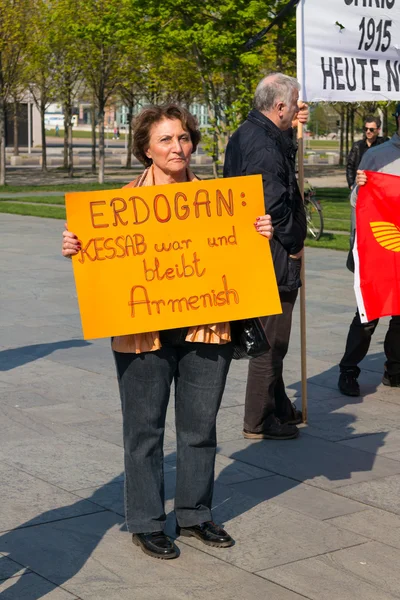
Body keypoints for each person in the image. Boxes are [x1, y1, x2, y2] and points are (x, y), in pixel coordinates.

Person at [62, 104, 273, 560]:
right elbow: (97, 256)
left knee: (200, 427)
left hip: (207, 325)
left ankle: (195, 513)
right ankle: (146, 521)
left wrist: (259, 231)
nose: (178, 147)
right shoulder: (117, 207)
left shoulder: (221, 202)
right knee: (144, 429)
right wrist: (77, 245)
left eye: (183, 137)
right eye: (165, 139)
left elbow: (242, 255)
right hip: (143, 331)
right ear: (145, 149)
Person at [224, 73, 307, 441]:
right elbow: (273, 202)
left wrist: (291, 135)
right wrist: (293, 242)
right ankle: (257, 420)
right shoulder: (263, 145)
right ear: (279, 107)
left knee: (273, 336)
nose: (296, 110)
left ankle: (279, 406)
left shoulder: (253, 132)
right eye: (294, 104)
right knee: (273, 341)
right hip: (273, 254)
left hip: (262, 251)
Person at [338, 104, 400, 396]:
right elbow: (357, 203)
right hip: (377, 247)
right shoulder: (376, 155)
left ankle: (395, 369)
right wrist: (361, 187)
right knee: (369, 314)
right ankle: (348, 370)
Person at [346, 116, 387, 189]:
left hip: (378, 186)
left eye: (371, 129)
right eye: (366, 129)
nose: (368, 131)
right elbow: (350, 166)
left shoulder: (384, 144)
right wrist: (351, 184)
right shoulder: (357, 146)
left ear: (378, 130)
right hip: (360, 185)